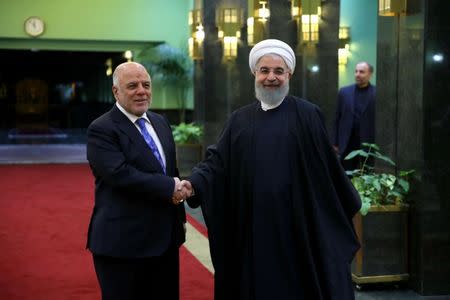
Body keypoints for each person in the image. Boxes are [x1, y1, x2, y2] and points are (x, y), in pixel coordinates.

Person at [181, 39, 361, 300]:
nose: (271, 78)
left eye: (279, 71)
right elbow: (216, 163)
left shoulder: (308, 115)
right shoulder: (239, 119)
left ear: (290, 74)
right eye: (265, 70)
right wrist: (194, 183)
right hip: (253, 227)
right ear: (255, 73)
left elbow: (327, 172)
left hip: (298, 227)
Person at [86, 62, 188, 300]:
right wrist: (172, 186)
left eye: (146, 85)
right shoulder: (101, 129)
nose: (142, 91)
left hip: (165, 241)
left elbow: (170, 169)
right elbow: (120, 174)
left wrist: (180, 219)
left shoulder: (161, 123)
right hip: (123, 245)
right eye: (132, 86)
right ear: (116, 92)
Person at [332, 61, 376, 171]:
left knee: (367, 173)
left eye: (362, 72)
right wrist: (335, 142)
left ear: (370, 74)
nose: (357, 74)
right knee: (346, 174)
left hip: (368, 142)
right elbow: (337, 118)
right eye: (356, 71)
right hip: (347, 141)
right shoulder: (344, 92)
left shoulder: (377, 93)